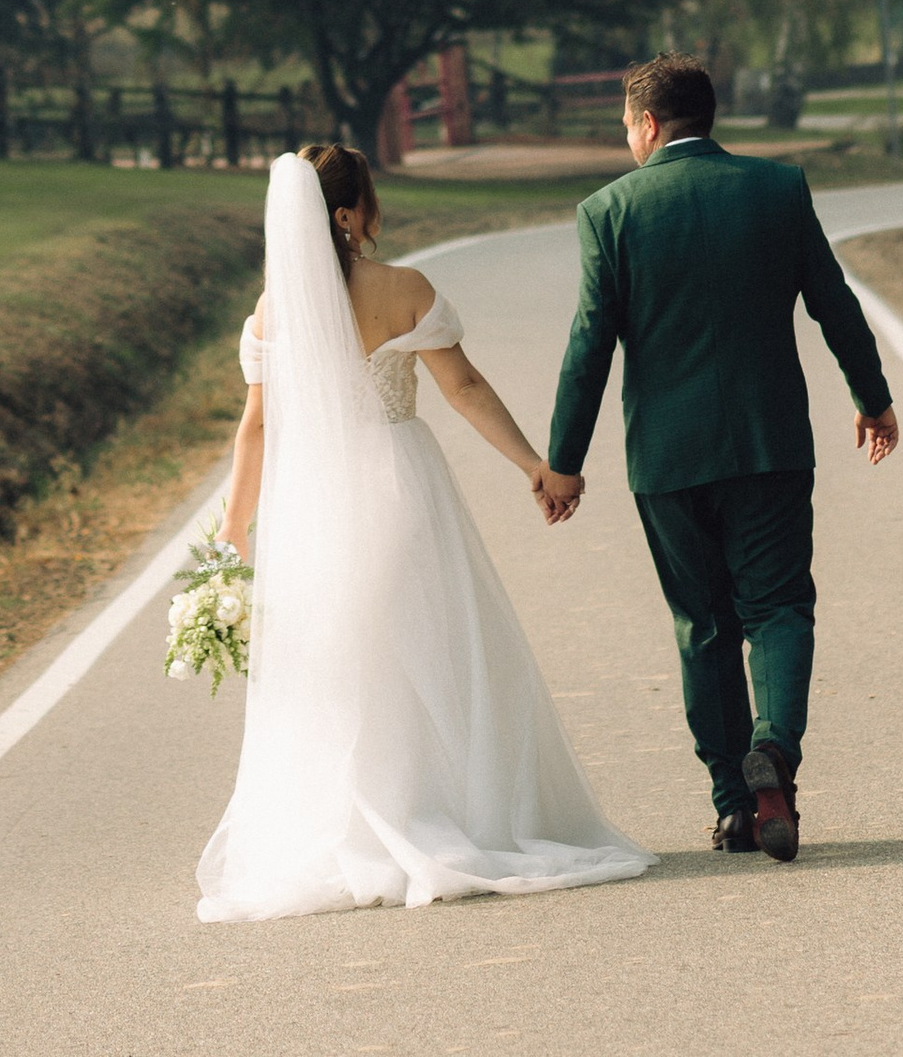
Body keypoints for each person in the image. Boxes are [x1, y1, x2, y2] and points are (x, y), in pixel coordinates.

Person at [197, 144, 650, 921]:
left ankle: (361, 817)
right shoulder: (403, 289)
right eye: (370, 200)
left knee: (345, 655)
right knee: (426, 644)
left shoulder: (275, 311)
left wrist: (233, 527)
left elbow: (256, 429)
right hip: (398, 484)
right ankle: (443, 811)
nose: (379, 213)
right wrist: (533, 465)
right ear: (346, 216)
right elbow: (464, 387)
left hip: (314, 498)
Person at [542, 54, 900, 863]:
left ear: (646, 125)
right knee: (777, 609)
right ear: (709, 118)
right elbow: (833, 302)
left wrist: (564, 460)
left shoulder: (609, 211)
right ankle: (773, 747)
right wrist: (872, 397)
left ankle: (735, 808)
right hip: (770, 442)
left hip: (667, 459)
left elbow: (588, 343)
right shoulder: (777, 190)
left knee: (703, 625)